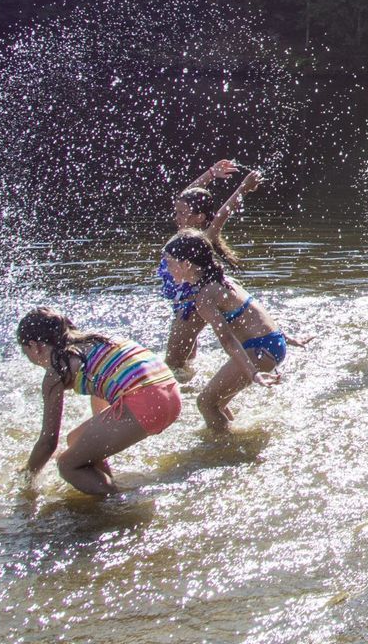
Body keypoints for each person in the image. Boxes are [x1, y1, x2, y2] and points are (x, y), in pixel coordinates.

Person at [16, 307, 182, 495]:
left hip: (147, 402)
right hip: (170, 392)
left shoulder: (55, 373)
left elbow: (48, 442)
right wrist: (98, 438)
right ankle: (106, 482)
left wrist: (28, 477)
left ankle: (116, 506)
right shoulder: (94, 341)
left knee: (67, 464)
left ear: (34, 346)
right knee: (75, 440)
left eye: (25, 351)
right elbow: (105, 383)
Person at [161, 233, 290, 430]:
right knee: (217, 403)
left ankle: (222, 448)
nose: (167, 270)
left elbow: (228, 341)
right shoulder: (221, 280)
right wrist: (286, 337)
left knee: (205, 403)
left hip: (260, 349)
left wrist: (254, 374)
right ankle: (232, 434)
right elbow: (255, 314)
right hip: (270, 342)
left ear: (186, 264)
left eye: (170, 264)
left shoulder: (204, 297)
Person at [157, 159, 263, 368]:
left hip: (191, 308)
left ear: (199, 217)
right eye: (176, 212)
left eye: (181, 213)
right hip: (182, 306)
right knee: (186, 363)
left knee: (172, 364)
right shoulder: (184, 235)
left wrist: (243, 188)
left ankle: (183, 397)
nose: (176, 216)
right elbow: (186, 196)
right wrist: (210, 174)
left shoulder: (203, 239)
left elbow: (223, 213)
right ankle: (190, 388)